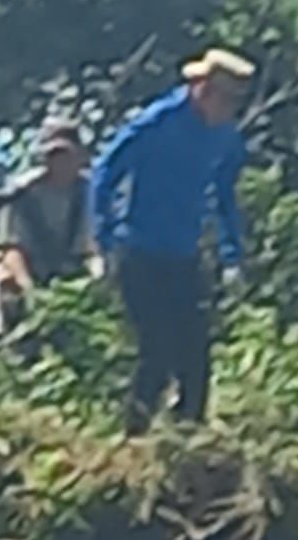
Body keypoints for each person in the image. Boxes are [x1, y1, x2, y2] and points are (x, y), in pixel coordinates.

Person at [91, 47, 256, 428]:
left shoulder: (225, 137)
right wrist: (102, 240)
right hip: (139, 251)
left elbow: (224, 194)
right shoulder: (157, 123)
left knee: (196, 352)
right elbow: (104, 172)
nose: (230, 108)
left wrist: (232, 257)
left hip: (183, 254)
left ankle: (189, 435)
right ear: (202, 89)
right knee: (157, 349)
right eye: (225, 98)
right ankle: (134, 437)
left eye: (236, 101)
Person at [0, 118, 96, 327]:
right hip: (33, 274)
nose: (60, 163)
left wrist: (95, 279)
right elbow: (12, 249)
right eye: (54, 156)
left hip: (77, 277)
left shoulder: (93, 194)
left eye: (66, 156)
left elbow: (97, 248)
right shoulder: (21, 196)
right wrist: (28, 287)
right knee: (8, 288)